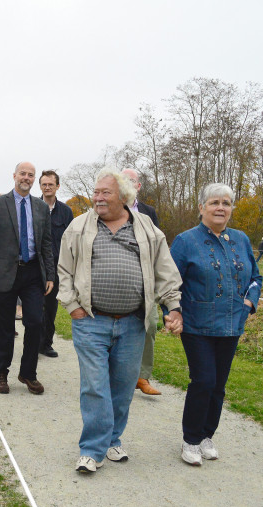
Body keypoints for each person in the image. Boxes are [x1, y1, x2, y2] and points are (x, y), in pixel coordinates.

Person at [57, 168, 182, 473]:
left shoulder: (147, 228)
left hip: (132, 322)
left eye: (105, 193)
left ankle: (112, 439)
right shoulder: (78, 227)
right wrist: (72, 306)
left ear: (124, 197)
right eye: (96, 192)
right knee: (95, 386)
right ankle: (92, 449)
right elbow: (63, 271)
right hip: (91, 320)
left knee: (123, 386)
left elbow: (165, 270)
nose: (98, 198)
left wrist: (173, 307)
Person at [170, 183, 262, 466]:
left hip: (232, 324)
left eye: (226, 203)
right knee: (204, 380)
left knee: (219, 384)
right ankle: (191, 440)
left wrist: (249, 304)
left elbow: (256, 278)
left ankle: (207, 435)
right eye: (214, 203)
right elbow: (170, 281)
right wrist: (172, 311)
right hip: (197, 324)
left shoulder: (242, 239)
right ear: (201, 208)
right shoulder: (185, 241)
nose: (220, 207)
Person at [0, 162, 54, 396]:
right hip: (4, 272)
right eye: (23, 174)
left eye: (31, 175)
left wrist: (49, 274)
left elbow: (47, 243)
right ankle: (1, 373)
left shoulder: (40, 207)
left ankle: (28, 373)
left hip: (32, 273)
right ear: (14, 176)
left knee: (34, 322)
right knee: (5, 327)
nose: (27, 178)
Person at [122, 168, 163, 396]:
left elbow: (157, 244)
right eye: (123, 180)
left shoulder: (149, 212)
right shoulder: (109, 208)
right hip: (119, 279)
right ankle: (117, 375)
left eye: (132, 181)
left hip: (145, 278)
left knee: (150, 325)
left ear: (138, 186)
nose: (127, 184)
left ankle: (142, 377)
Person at [38, 170, 74, 358]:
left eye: (51, 184)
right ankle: (33, 343)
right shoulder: (33, 207)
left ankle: (46, 344)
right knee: (35, 307)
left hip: (57, 266)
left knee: (51, 307)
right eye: (44, 184)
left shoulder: (66, 211)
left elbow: (71, 240)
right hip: (35, 266)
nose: (47, 187)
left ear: (57, 186)